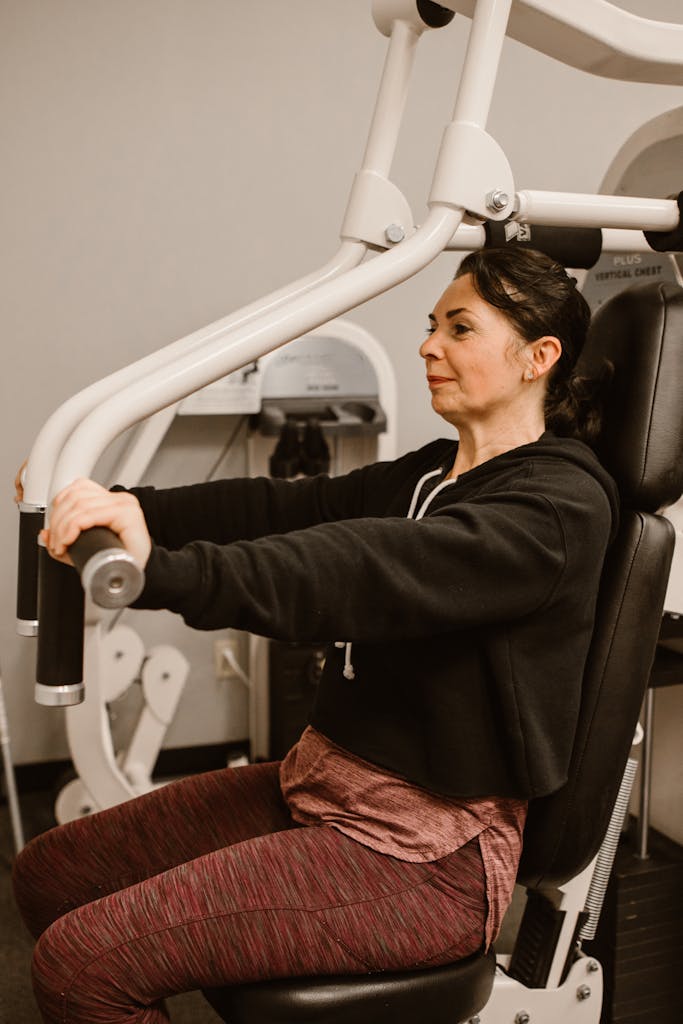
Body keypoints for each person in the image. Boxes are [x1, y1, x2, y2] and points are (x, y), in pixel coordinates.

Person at [13, 248, 619, 1024]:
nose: (428, 346)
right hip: (320, 787)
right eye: (430, 326)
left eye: (459, 328)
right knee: (51, 874)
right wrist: (119, 505)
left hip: (422, 858)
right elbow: (282, 510)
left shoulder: (555, 510)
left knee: (82, 966)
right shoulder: (433, 474)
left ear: (538, 357)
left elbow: (356, 569)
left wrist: (158, 571)